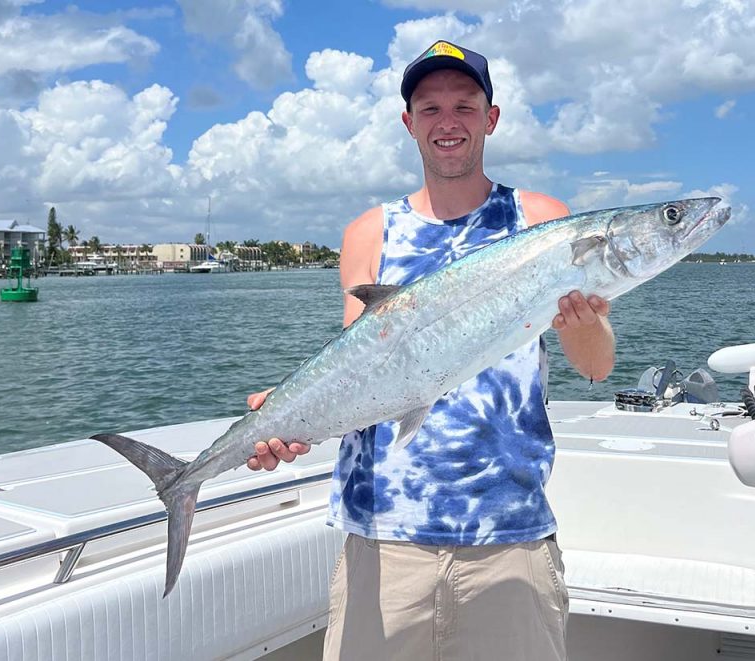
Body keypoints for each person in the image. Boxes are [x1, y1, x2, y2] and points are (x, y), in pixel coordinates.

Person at [246, 40, 615, 661]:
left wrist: (579, 320)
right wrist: (286, 417)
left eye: (465, 107)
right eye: (431, 107)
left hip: (509, 536)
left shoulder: (541, 220)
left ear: (490, 119)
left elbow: (597, 366)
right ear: (409, 123)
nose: (448, 122)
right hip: (383, 538)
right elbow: (355, 370)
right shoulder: (370, 231)